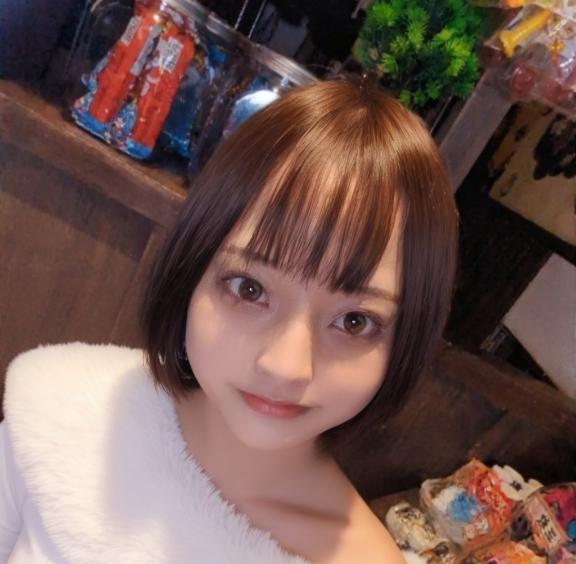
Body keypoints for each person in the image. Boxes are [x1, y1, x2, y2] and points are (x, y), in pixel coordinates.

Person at [0, 76, 459, 563]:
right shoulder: (66, 413)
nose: (286, 367)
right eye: (250, 289)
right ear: (191, 271)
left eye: (354, 322)